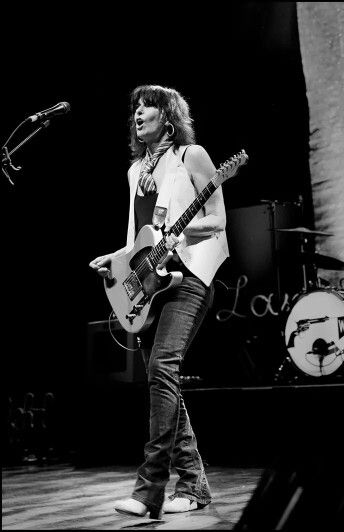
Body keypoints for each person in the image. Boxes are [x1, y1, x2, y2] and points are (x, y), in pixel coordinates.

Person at [89, 84, 229, 520]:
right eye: (134, 109)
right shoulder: (134, 171)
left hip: (189, 275)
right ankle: (194, 486)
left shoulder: (193, 157)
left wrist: (179, 236)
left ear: (167, 116)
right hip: (151, 282)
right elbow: (138, 238)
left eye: (146, 107)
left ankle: (149, 490)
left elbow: (218, 220)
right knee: (159, 375)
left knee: (162, 366)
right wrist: (116, 262)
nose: (137, 114)